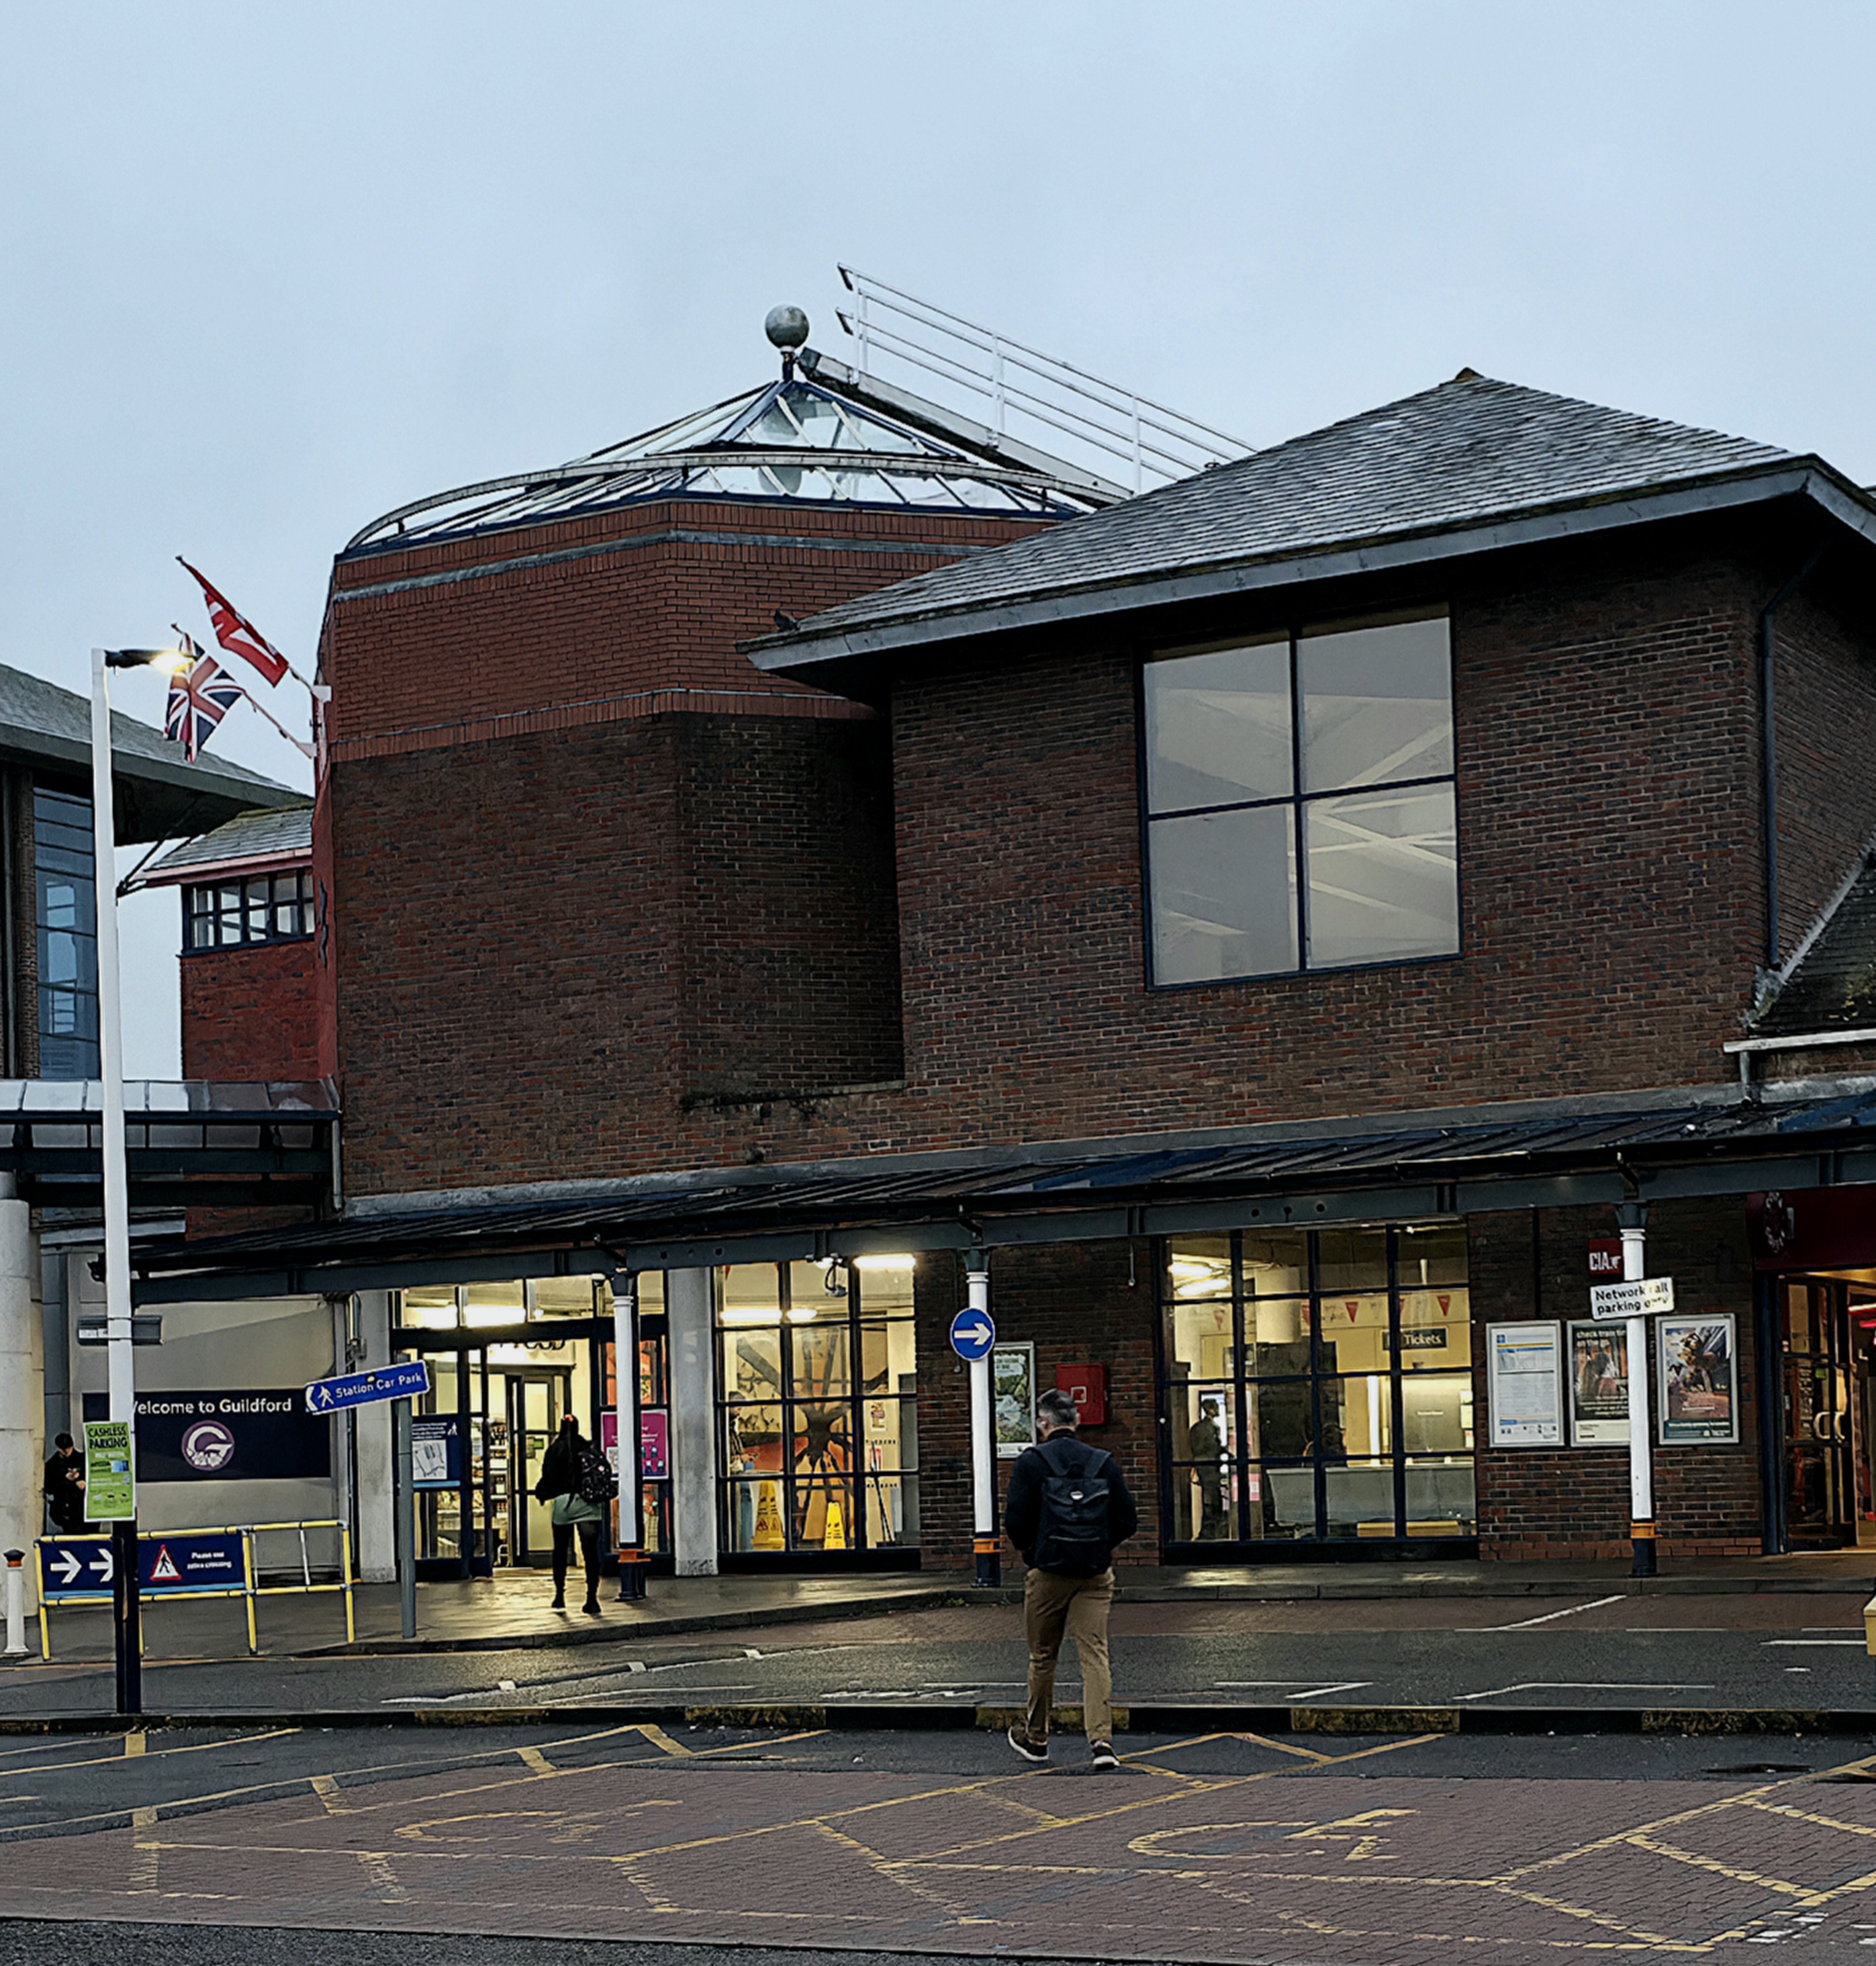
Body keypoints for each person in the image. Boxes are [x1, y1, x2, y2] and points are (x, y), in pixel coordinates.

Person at [1002, 1386, 1138, 1771]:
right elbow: (1128, 1520)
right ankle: (1102, 1743)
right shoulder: (1102, 1462)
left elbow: (1015, 1522)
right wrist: (1098, 1546)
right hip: (1094, 1574)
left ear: (1042, 1423)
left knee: (1043, 1656)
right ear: (1076, 1421)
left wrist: (1035, 1552)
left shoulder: (1032, 1463)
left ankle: (1037, 1739)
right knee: (1094, 1654)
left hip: (1048, 1572)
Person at [533, 1415, 612, 1614]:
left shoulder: (555, 1449)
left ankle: (559, 1595)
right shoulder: (587, 1447)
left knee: (560, 1551)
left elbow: (548, 1477)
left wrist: (542, 1493)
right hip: (589, 1504)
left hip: (564, 1504)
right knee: (591, 1553)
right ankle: (592, 1599)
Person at [43, 1432, 85, 1534]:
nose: (66, 1452)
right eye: (63, 1449)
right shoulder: (53, 1464)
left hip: (82, 1506)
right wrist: (66, 1480)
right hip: (65, 1509)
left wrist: (83, 1481)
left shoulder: (82, 1460)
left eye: (68, 1448)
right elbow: (49, 1487)